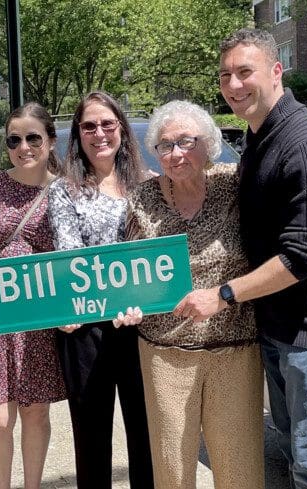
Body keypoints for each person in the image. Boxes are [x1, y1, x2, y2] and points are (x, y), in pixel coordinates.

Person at [177, 28, 307, 488]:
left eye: (245, 72)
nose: (234, 85)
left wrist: (223, 295)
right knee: (293, 447)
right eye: (225, 75)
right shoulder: (260, 138)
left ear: (276, 70)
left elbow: (303, 256)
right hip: (280, 327)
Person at [112, 100, 264, 489]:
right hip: (165, 355)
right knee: (172, 470)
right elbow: (126, 273)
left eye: (186, 141)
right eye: (165, 145)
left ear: (208, 143)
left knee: (239, 467)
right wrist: (127, 306)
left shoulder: (236, 183)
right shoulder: (142, 199)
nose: (176, 153)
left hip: (235, 349)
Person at [47, 91, 154, 489]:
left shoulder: (148, 186)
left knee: (146, 435)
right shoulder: (65, 190)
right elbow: (69, 254)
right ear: (78, 134)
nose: (99, 133)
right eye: (89, 126)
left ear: (122, 130)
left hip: (142, 327)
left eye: (107, 124)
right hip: (86, 329)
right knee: (91, 438)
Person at [0, 102, 67, 489]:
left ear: (50, 140)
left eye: (33, 137)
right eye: (14, 139)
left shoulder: (67, 190)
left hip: (41, 316)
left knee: (35, 414)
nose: (23, 146)